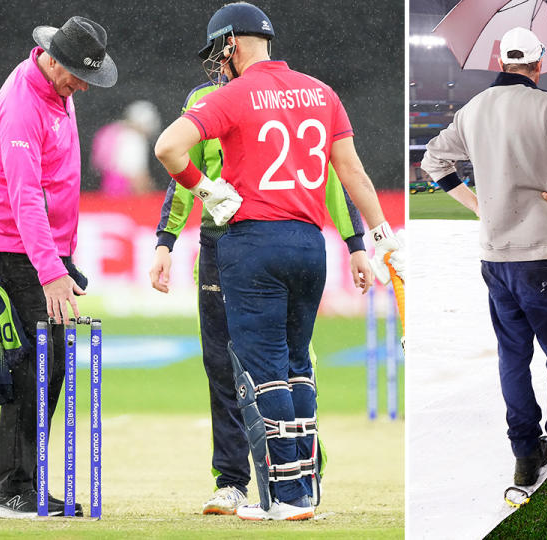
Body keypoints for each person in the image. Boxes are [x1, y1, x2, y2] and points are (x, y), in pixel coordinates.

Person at [152, 3, 404, 521]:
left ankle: (284, 496)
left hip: (252, 244)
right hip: (310, 245)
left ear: (231, 45)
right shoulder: (321, 92)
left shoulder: (232, 95)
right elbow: (350, 172)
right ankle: (306, 489)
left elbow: (169, 147)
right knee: (297, 368)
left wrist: (207, 191)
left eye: (218, 52)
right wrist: (379, 237)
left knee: (260, 371)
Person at [422, 27, 547, 493]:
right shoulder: (546, 105)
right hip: (545, 253)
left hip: (497, 257)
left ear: (500, 61)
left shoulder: (472, 110)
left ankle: (526, 454)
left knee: (513, 359)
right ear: (539, 64)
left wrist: (476, 204)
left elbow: (434, 162)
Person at [0, 16, 117, 518]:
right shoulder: (22, 105)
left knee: (48, 368)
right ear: (51, 58)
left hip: (39, 249)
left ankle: (25, 485)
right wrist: (50, 269)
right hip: (11, 248)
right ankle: (12, 490)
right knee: (27, 367)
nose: (81, 86)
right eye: (76, 74)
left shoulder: (58, 92)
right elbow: (25, 196)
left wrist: (63, 259)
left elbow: (59, 184)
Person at [91, 100, 161, 195]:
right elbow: (138, 177)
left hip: (107, 190)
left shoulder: (112, 131)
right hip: (125, 195)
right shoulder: (134, 139)